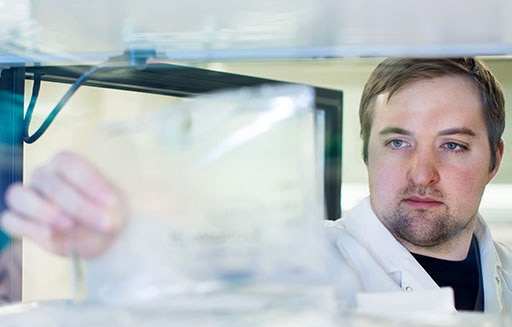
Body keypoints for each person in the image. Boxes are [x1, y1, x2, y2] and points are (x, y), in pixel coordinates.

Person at [1, 57, 511, 313]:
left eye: (453, 145)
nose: (422, 173)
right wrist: (115, 243)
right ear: (365, 153)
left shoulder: (504, 273)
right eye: (398, 142)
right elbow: (194, 299)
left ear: (495, 161)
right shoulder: (307, 257)